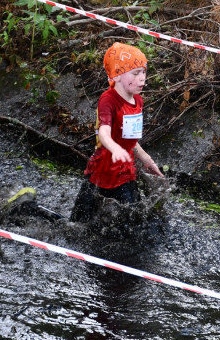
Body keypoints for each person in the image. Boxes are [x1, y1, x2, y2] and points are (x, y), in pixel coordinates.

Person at [70, 41, 164, 222]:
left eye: (144, 72)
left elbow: (129, 139)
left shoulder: (138, 101)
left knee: (137, 223)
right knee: (76, 226)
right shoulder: (108, 100)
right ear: (118, 75)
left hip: (125, 172)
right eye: (136, 73)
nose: (142, 78)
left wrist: (146, 159)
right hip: (101, 172)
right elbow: (104, 132)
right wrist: (115, 149)